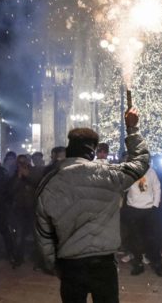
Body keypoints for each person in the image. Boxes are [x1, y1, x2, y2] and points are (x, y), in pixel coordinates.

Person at [35, 108, 148, 303]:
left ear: (69, 150)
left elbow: (43, 231)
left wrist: (53, 264)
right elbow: (140, 162)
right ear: (92, 152)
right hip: (104, 264)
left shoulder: (49, 182)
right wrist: (132, 128)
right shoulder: (108, 174)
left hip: (70, 264)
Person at [125, 164, 162, 277]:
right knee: (135, 239)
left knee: (152, 239)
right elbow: (124, 187)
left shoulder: (151, 172)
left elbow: (157, 188)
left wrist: (155, 205)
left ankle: (157, 264)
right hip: (133, 208)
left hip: (149, 210)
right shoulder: (130, 172)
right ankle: (138, 265)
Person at [11, 154, 40, 268]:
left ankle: (39, 260)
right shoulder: (15, 174)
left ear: (28, 162)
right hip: (20, 209)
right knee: (19, 235)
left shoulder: (34, 172)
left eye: (24, 162)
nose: (22, 164)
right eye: (20, 162)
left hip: (33, 207)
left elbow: (38, 183)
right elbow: (11, 190)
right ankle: (19, 258)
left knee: (37, 235)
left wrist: (27, 175)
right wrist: (18, 177)